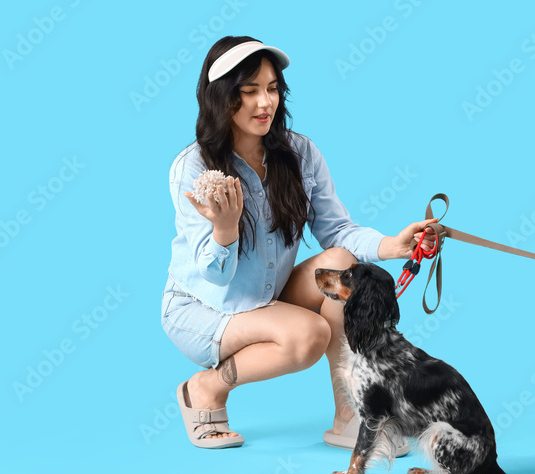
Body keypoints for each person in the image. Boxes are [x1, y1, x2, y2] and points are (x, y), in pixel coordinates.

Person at [161, 35, 437, 449]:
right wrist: (225, 229)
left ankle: (350, 416)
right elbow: (214, 277)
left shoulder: (301, 153)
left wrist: (393, 246)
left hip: (266, 297)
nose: (264, 103)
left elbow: (338, 231)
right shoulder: (195, 167)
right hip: (205, 309)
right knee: (307, 335)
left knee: (345, 267)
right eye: (249, 91)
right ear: (220, 97)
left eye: (271, 89)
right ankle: (205, 388)